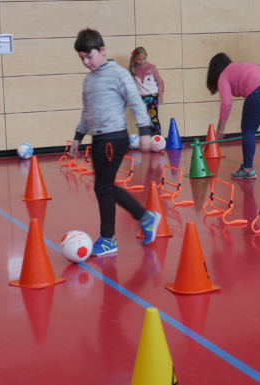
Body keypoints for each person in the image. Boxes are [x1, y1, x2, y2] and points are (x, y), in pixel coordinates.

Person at [71, 28, 161, 256]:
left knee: (103, 187)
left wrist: (144, 132)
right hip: (98, 139)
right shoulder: (88, 81)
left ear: (102, 50)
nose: (86, 62)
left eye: (89, 56)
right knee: (105, 187)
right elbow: (86, 112)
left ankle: (109, 238)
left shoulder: (118, 74)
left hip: (115, 138)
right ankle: (145, 217)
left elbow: (136, 102)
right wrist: (78, 136)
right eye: (81, 58)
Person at [129, 47, 164, 136]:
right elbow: (131, 85)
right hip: (140, 98)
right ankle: (146, 137)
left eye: (144, 59)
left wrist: (160, 95)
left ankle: (157, 137)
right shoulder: (133, 70)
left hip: (153, 96)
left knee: (153, 117)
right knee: (143, 119)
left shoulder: (152, 68)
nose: (142, 61)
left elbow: (160, 82)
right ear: (134, 59)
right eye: (139, 60)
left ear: (146, 56)